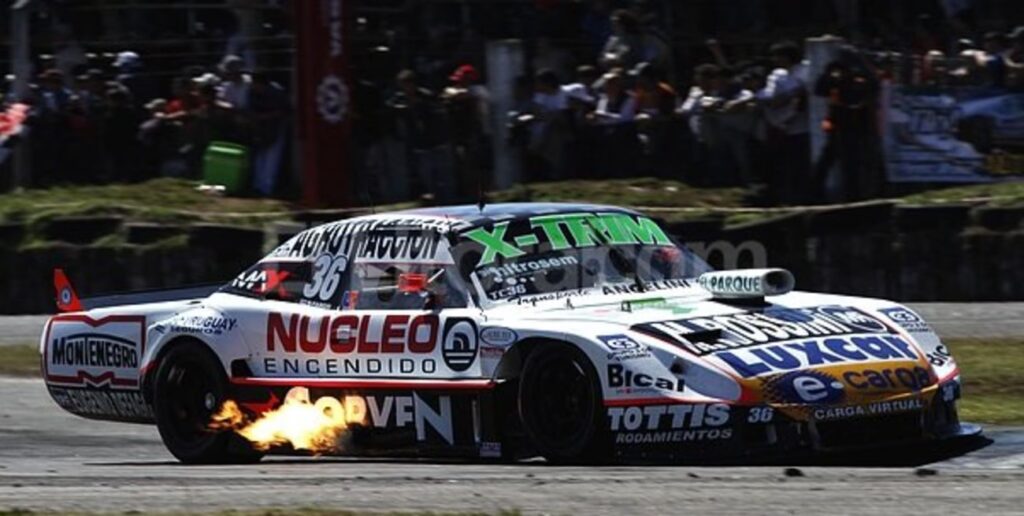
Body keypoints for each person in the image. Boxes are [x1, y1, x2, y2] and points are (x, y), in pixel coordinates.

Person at [387, 70, 454, 203]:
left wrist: (420, 106)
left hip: (435, 140)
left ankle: (446, 197)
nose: (405, 88)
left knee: (441, 171)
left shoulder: (426, 96)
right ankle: (431, 194)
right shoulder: (400, 98)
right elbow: (391, 108)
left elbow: (437, 112)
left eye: (407, 84)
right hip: (418, 142)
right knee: (424, 172)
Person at [757, 41, 810, 204]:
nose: (774, 60)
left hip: (801, 127)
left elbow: (798, 99)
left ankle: (801, 197)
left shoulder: (803, 73)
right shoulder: (781, 74)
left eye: (777, 56)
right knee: (785, 165)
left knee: (799, 164)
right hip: (782, 127)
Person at [248, 73, 289, 196]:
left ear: (262, 83)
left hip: (276, 127)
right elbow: (251, 109)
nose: (253, 85)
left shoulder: (277, 93)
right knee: (259, 157)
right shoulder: (252, 92)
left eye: (255, 83)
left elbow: (283, 112)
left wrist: (263, 117)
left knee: (271, 159)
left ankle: (266, 189)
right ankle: (257, 186)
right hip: (260, 128)